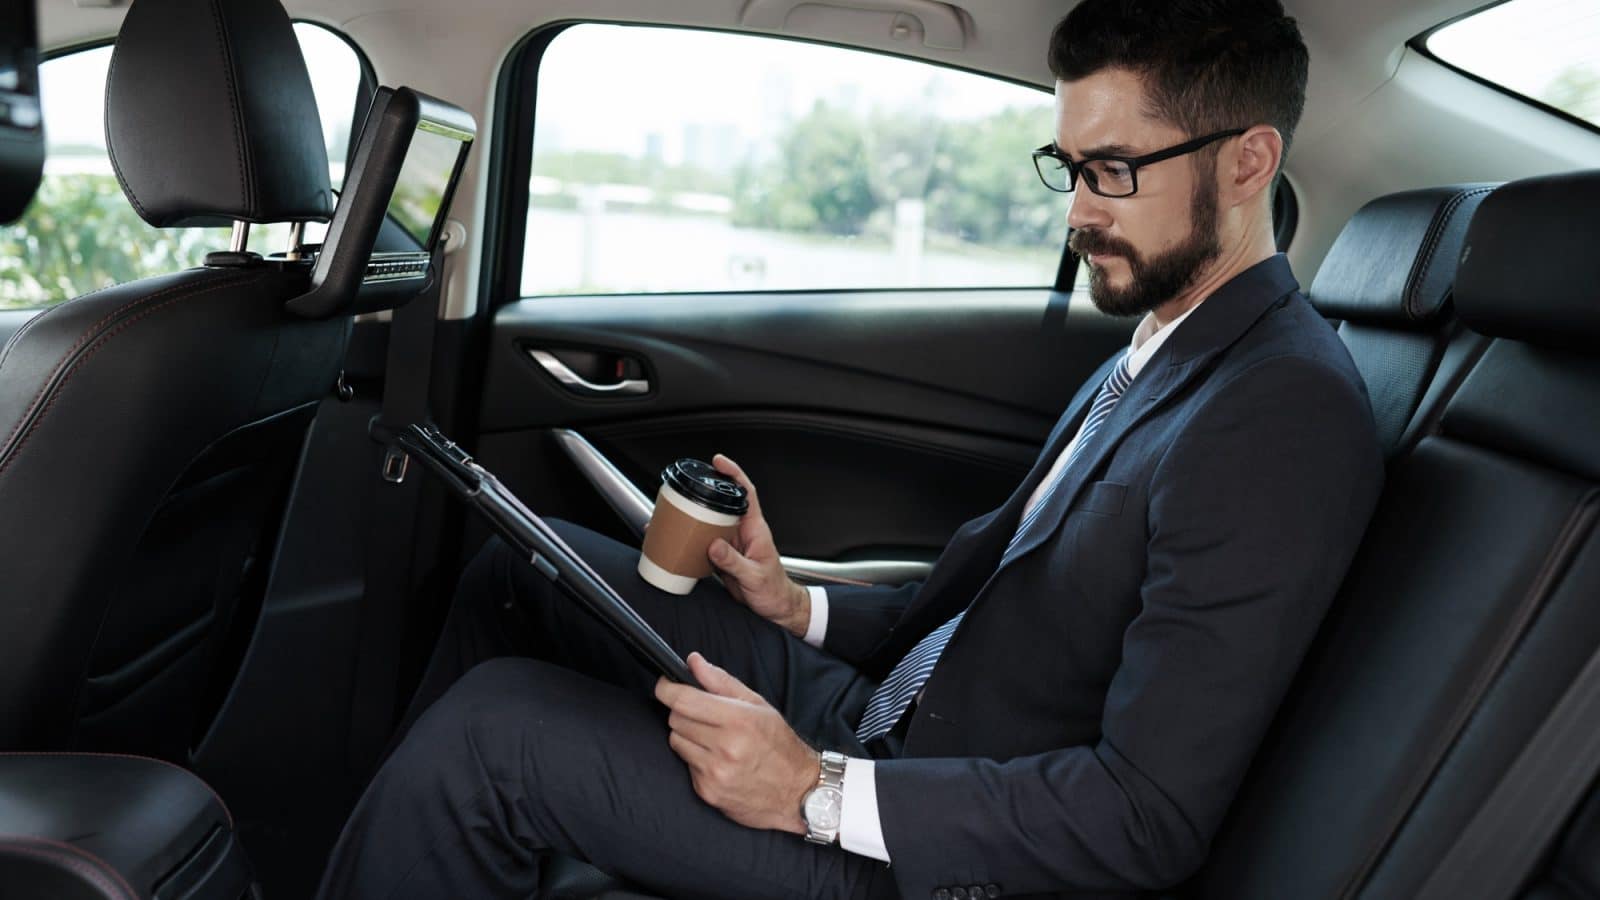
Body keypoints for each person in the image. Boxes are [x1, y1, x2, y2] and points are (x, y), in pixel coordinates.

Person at [316, 1, 1383, 897]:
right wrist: (797, 608)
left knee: (490, 739)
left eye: (1112, 170)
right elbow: (988, 597)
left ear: (1248, 163)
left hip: (934, 846)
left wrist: (813, 793)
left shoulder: (1279, 410)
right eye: (1070, 169)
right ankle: (398, 844)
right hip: (886, 718)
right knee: (523, 568)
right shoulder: (1167, 343)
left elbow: (1145, 815)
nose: (1078, 216)